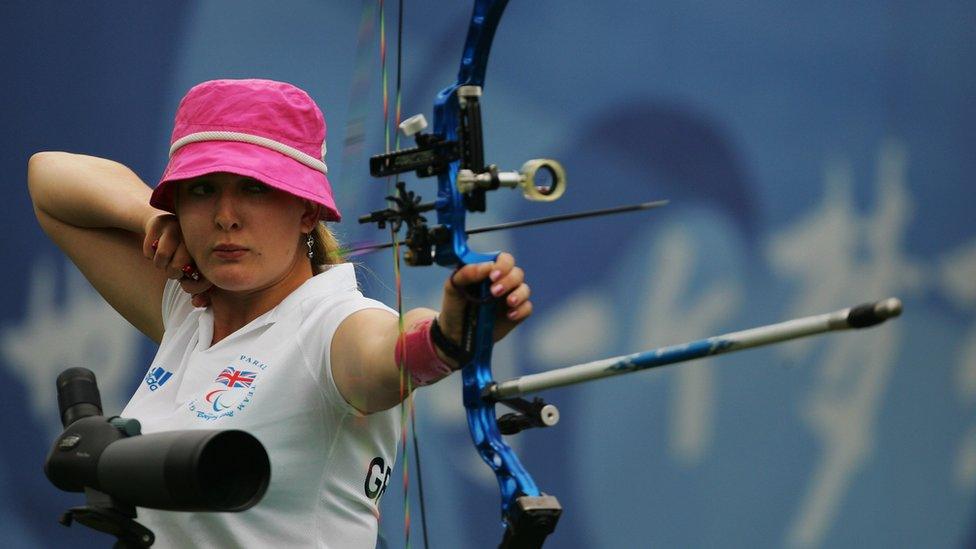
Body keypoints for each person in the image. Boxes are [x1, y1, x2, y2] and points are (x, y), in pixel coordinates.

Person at [26, 78, 532, 547]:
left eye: (254, 188)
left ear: (307, 211)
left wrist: (451, 335)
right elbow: (48, 178)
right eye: (202, 189)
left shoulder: (329, 324)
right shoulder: (188, 308)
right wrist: (152, 218)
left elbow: (391, 350)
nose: (225, 217)